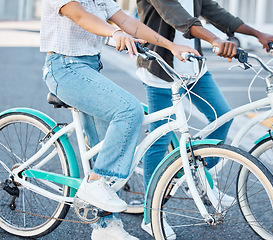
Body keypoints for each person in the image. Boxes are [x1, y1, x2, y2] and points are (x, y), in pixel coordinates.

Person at [40, 1, 199, 239]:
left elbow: (128, 22)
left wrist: (170, 46)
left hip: (89, 70)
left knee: (105, 146)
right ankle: (93, 185)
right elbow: (81, 17)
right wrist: (114, 32)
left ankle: (105, 227)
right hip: (64, 68)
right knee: (129, 111)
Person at [136, 0, 273, 238]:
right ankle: (150, 215)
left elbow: (216, 13)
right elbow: (178, 17)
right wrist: (215, 40)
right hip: (161, 66)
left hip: (192, 66)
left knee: (222, 116)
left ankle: (192, 174)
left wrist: (257, 33)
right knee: (160, 137)